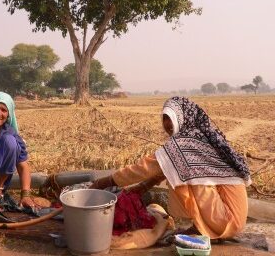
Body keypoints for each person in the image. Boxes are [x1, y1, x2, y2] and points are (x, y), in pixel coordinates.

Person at [91, 96, 251, 239]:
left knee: (183, 174)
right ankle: (201, 225)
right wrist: (142, 187)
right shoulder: (199, 140)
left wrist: (103, 182)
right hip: (231, 219)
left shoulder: (185, 145)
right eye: (164, 118)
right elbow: (166, 167)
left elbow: (145, 168)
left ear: (182, 118)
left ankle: (201, 227)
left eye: (170, 118)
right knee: (178, 167)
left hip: (225, 220)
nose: (166, 124)